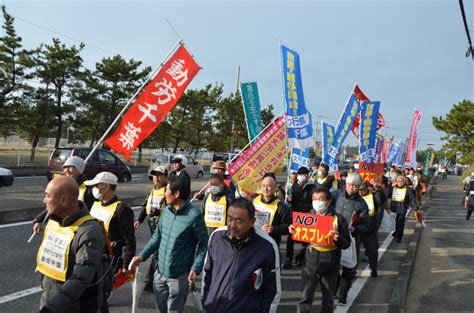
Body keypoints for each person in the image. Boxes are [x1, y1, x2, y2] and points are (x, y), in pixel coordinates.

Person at [129, 176, 209, 313]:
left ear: (176, 194)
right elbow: (157, 238)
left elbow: (203, 244)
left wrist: (196, 268)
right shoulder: (166, 212)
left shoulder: (194, 216)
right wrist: (141, 257)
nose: (165, 193)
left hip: (179, 278)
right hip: (159, 274)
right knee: (161, 309)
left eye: (167, 190)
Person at [37, 176, 107, 313]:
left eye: (47, 196)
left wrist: (50, 308)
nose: (44, 200)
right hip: (50, 300)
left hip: (76, 307)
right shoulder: (55, 223)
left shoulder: (89, 231)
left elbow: (81, 277)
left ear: (64, 200)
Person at [202, 198, 281, 313]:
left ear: (252, 221)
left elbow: (272, 291)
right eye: (229, 219)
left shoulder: (267, 246)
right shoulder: (216, 237)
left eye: (239, 221)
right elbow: (207, 273)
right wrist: (206, 303)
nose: (232, 225)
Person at [290, 187, 351, 313]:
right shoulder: (306, 218)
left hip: (331, 263)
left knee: (328, 299)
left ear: (328, 201)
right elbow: (302, 240)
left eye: (321, 199)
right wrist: (294, 232)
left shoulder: (338, 219)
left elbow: (346, 244)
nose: (317, 202)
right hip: (310, 262)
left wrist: (338, 238)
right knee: (305, 297)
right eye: (314, 199)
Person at [84, 172, 136, 280]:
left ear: (106, 187)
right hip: (91, 253)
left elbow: (129, 240)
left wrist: (126, 264)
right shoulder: (95, 204)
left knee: (101, 290)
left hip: (108, 259)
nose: (94, 188)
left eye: (96, 185)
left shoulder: (121, 209)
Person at [33, 156, 95, 234]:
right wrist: (39, 220)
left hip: (79, 228)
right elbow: (54, 205)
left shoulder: (88, 189)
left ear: (79, 170)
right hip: (61, 225)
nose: (67, 170)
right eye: (65, 167)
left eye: (70, 167)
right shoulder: (62, 186)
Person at [333, 173, 370, 305]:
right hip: (334, 236)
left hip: (351, 239)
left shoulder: (362, 204)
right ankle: (335, 289)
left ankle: (343, 295)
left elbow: (366, 225)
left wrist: (356, 229)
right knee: (333, 266)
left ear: (359, 187)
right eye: (349, 184)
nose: (351, 188)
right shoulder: (336, 194)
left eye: (354, 186)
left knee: (348, 269)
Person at [134, 165, 168, 291]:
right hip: (151, 226)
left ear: (165, 177)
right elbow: (144, 207)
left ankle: (151, 281)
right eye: (154, 175)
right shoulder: (152, 191)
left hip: (163, 227)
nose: (156, 178)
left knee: (156, 254)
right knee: (156, 253)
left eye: (159, 175)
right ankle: (155, 279)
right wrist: (138, 219)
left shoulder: (168, 191)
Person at [252, 173, 290, 248]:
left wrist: (273, 229)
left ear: (275, 188)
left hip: (271, 243)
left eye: (269, 186)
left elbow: (287, 227)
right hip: (254, 240)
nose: (265, 189)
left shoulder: (281, 206)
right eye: (263, 186)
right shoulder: (254, 201)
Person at [294, 167, 317, 266]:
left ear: (308, 175)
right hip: (296, 215)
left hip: (307, 215)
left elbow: (313, 201)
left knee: (306, 239)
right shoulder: (295, 185)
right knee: (293, 237)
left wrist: (309, 210)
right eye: (300, 174)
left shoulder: (312, 187)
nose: (302, 176)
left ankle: (302, 258)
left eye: (304, 174)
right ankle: (290, 258)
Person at [358, 182, 380, 277]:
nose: (361, 192)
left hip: (370, 229)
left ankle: (373, 268)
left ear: (367, 189)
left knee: (372, 251)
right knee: (354, 252)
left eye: (363, 190)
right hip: (357, 229)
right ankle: (352, 271)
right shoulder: (355, 197)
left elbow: (381, 201)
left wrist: (377, 190)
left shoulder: (374, 196)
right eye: (359, 190)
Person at [283, 170, 302, 269]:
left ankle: (301, 258)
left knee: (304, 238)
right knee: (290, 237)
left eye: (295, 173)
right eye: (292, 173)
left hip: (301, 215)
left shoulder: (303, 185)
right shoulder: (287, 183)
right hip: (290, 214)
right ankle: (288, 259)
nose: (293, 175)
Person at [388, 175, 415, 243]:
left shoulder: (407, 189)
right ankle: (396, 232)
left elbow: (412, 199)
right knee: (396, 221)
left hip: (402, 208)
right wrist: (390, 187)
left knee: (400, 222)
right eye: (398, 181)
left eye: (401, 181)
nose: (400, 183)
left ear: (404, 182)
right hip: (394, 207)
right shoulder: (394, 188)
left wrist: (416, 207)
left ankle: (399, 237)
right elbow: (388, 194)